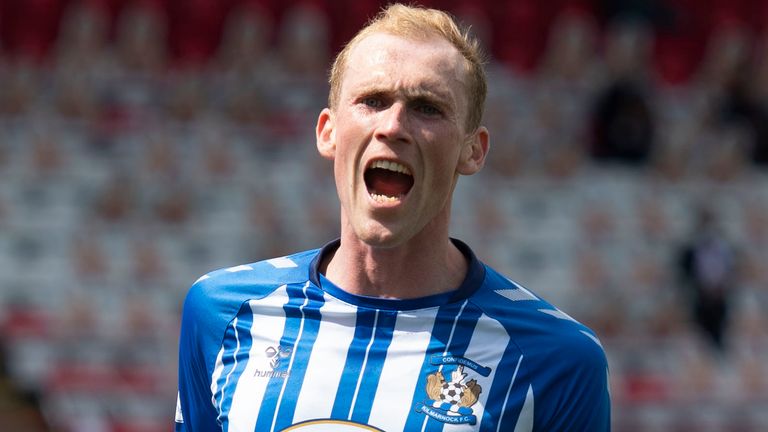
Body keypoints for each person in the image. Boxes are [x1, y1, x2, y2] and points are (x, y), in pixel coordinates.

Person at [175, 4, 610, 431]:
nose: (393, 125)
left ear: (472, 150)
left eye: (427, 107)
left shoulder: (555, 360)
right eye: (373, 100)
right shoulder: (224, 314)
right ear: (328, 131)